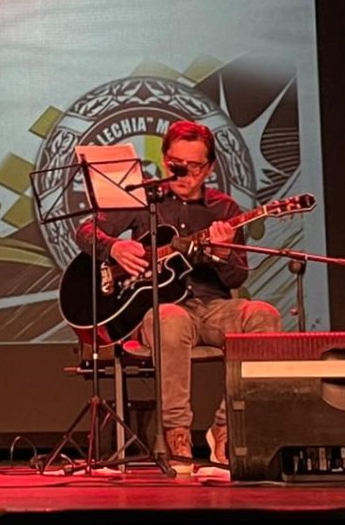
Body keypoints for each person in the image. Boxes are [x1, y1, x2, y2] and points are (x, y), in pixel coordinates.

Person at [74, 120, 281, 474]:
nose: (183, 173)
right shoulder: (143, 200)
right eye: (175, 164)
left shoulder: (224, 211)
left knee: (265, 314)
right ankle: (177, 434)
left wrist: (222, 252)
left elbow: (237, 276)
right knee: (170, 319)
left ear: (210, 168)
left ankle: (226, 428)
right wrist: (114, 248)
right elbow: (86, 231)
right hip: (161, 308)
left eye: (194, 166)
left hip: (214, 307)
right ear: (164, 160)